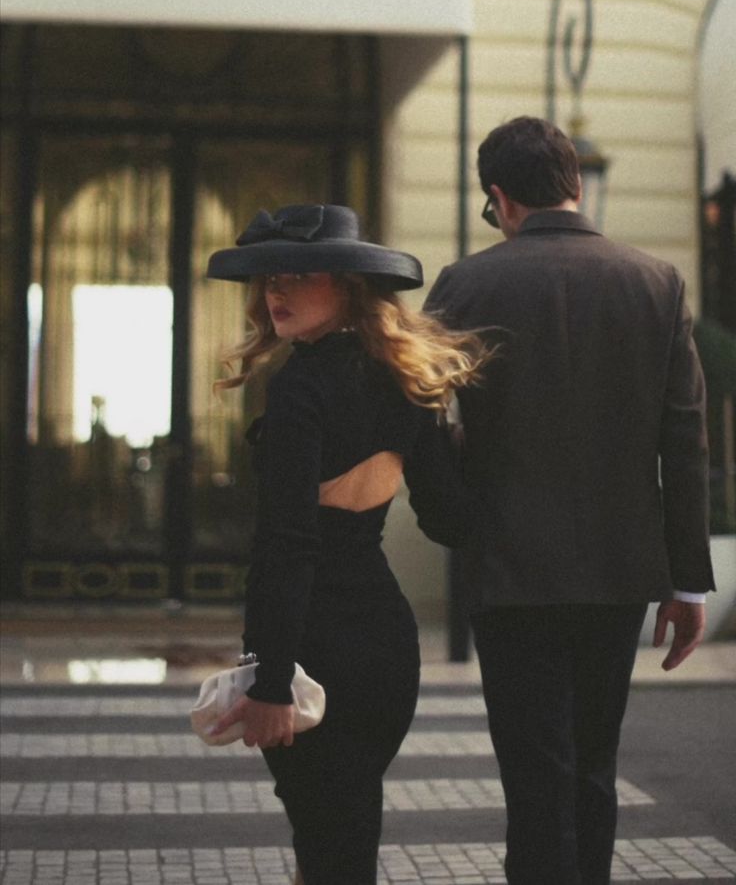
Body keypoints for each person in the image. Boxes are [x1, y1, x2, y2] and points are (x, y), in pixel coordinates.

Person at [424, 116, 715, 885]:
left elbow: (419, 417)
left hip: (510, 569)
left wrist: (454, 518)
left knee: (534, 775)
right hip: (619, 573)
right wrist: (687, 580)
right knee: (594, 763)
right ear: (575, 183)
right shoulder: (657, 282)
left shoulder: (466, 284)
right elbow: (684, 443)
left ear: (498, 197)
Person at [205, 203, 488, 885]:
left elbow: (288, 546)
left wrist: (271, 681)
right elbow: (450, 521)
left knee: (328, 837)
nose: (276, 291)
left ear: (349, 285)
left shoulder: (300, 386)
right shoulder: (407, 383)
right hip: (387, 653)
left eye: (300, 274)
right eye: (271, 276)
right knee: (344, 829)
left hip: (316, 650)